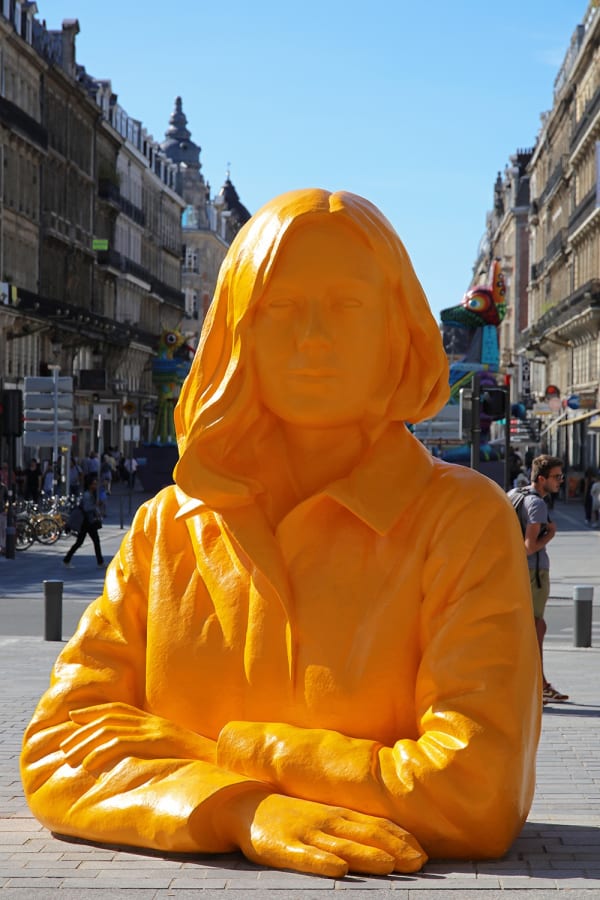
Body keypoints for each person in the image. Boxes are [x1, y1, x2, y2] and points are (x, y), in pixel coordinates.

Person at [21, 189, 540, 879]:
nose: (315, 337)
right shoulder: (169, 528)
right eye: (281, 309)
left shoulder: (462, 522)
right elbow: (60, 746)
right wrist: (239, 810)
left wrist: (229, 756)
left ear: (398, 331)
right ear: (238, 331)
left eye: (349, 307)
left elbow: (477, 790)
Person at [519, 455, 569, 705]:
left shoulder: (515, 495)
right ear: (542, 479)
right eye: (556, 477)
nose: (561, 481)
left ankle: (540, 684)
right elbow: (529, 546)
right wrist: (551, 534)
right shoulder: (537, 504)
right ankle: (538, 686)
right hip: (533, 573)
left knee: (530, 628)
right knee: (534, 629)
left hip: (518, 573)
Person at [62, 474, 104, 569]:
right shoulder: (87, 495)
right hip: (86, 522)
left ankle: (67, 559)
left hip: (88, 522)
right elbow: (87, 508)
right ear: (89, 485)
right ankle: (66, 559)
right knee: (84, 542)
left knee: (87, 541)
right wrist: (96, 506)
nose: (95, 485)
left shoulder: (91, 493)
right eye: (94, 483)